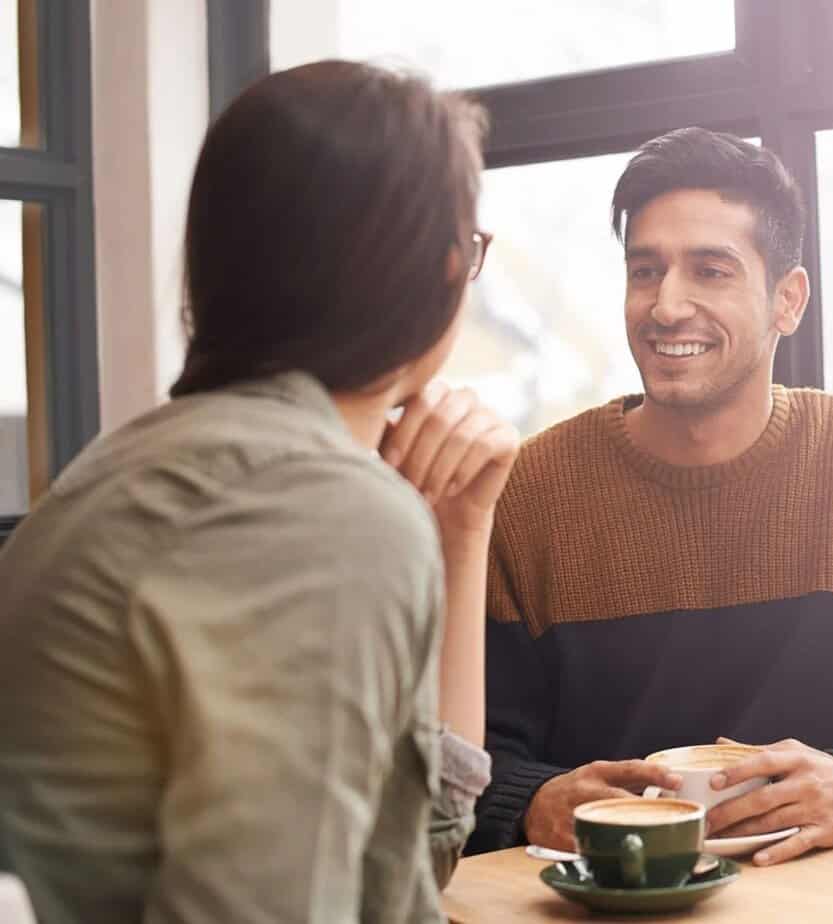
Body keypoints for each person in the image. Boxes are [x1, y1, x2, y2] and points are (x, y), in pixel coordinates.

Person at [0, 61, 520, 922]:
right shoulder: (311, 507)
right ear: (440, 268)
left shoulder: (147, 462)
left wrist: (460, 531)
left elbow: (411, 863)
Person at [468, 128, 833, 865]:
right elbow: (464, 750)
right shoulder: (531, 491)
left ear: (787, 300)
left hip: (825, 902)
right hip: (602, 905)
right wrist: (533, 801)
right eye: (645, 271)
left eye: (710, 271)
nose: (666, 305)